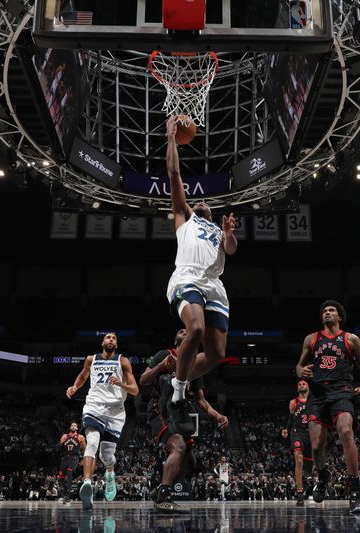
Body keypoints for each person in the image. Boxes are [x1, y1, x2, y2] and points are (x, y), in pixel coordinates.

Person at [164, 116, 238, 436]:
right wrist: (170, 138)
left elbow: (232, 250)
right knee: (194, 329)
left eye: (207, 201)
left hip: (215, 286)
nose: (203, 201)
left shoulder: (218, 229)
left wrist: (229, 234)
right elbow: (174, 172)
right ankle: (179, 395)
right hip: (187, 278)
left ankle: (178, 380)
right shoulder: (186, 218)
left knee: (217, 354)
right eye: (200, 201)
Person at [139, 328, 229, 513]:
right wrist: (161, 366)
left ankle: (159, 490)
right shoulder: (164, 354)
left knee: (190, 463)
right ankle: (163, 497)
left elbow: (201, 401)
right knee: (178, 447)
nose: (184, 330)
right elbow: (143, 381)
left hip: (180, 412)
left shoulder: (195, 365)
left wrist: (217, 415)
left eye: (188, 330)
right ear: (176, 341)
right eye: (180, 330)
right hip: (160, 409)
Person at [296, 300, 360, 514]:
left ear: (340, 317)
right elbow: (299, 365)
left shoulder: (351, 339)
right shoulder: (311, 339)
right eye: (324, 311)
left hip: (342, 391)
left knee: (346, 432)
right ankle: (323, 476)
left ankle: (355, 491)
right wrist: (300, 371)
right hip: (318, 396)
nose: (327, 313)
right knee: (317, 446)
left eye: (332, 311)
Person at [66, 332, 139, 510]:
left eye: (114, 338)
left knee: (106, 455)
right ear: (102, 342)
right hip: (94, 406)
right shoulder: (91, 359)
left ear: (117, 344)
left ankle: (110, 473)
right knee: (92, 442)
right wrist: (75, 386)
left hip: (115, 411)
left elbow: (135, 390)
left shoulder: (123, 361)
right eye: (108, 337)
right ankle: (87, 484)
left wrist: (121, 384)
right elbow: (83, 376)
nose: (111, 340)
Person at [281, 380, 314, 506]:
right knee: (298, 460)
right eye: (299, 384)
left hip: (310, 433)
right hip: (297, 432)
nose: (301, 384)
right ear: (297, 388)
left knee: (310, 466)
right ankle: (300, 494)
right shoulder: (293, 402)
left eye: (303, 383)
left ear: (308, 387)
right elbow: (290, 418)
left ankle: (305, 477)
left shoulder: (314, 401)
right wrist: (286, 429)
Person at [57, 422, 86, 504]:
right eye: (72, 425)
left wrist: (83, 459)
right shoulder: (65, 436)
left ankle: (68, 496)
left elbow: (84, 449)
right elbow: (57, 448)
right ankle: (63, 495)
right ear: (70, 427)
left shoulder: (80, 437)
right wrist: (60, 442)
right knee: (61, 478)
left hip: (74, 458)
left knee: (70, 472)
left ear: (77, 428)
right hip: (65, 458)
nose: (73, 426)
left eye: (75, 425)